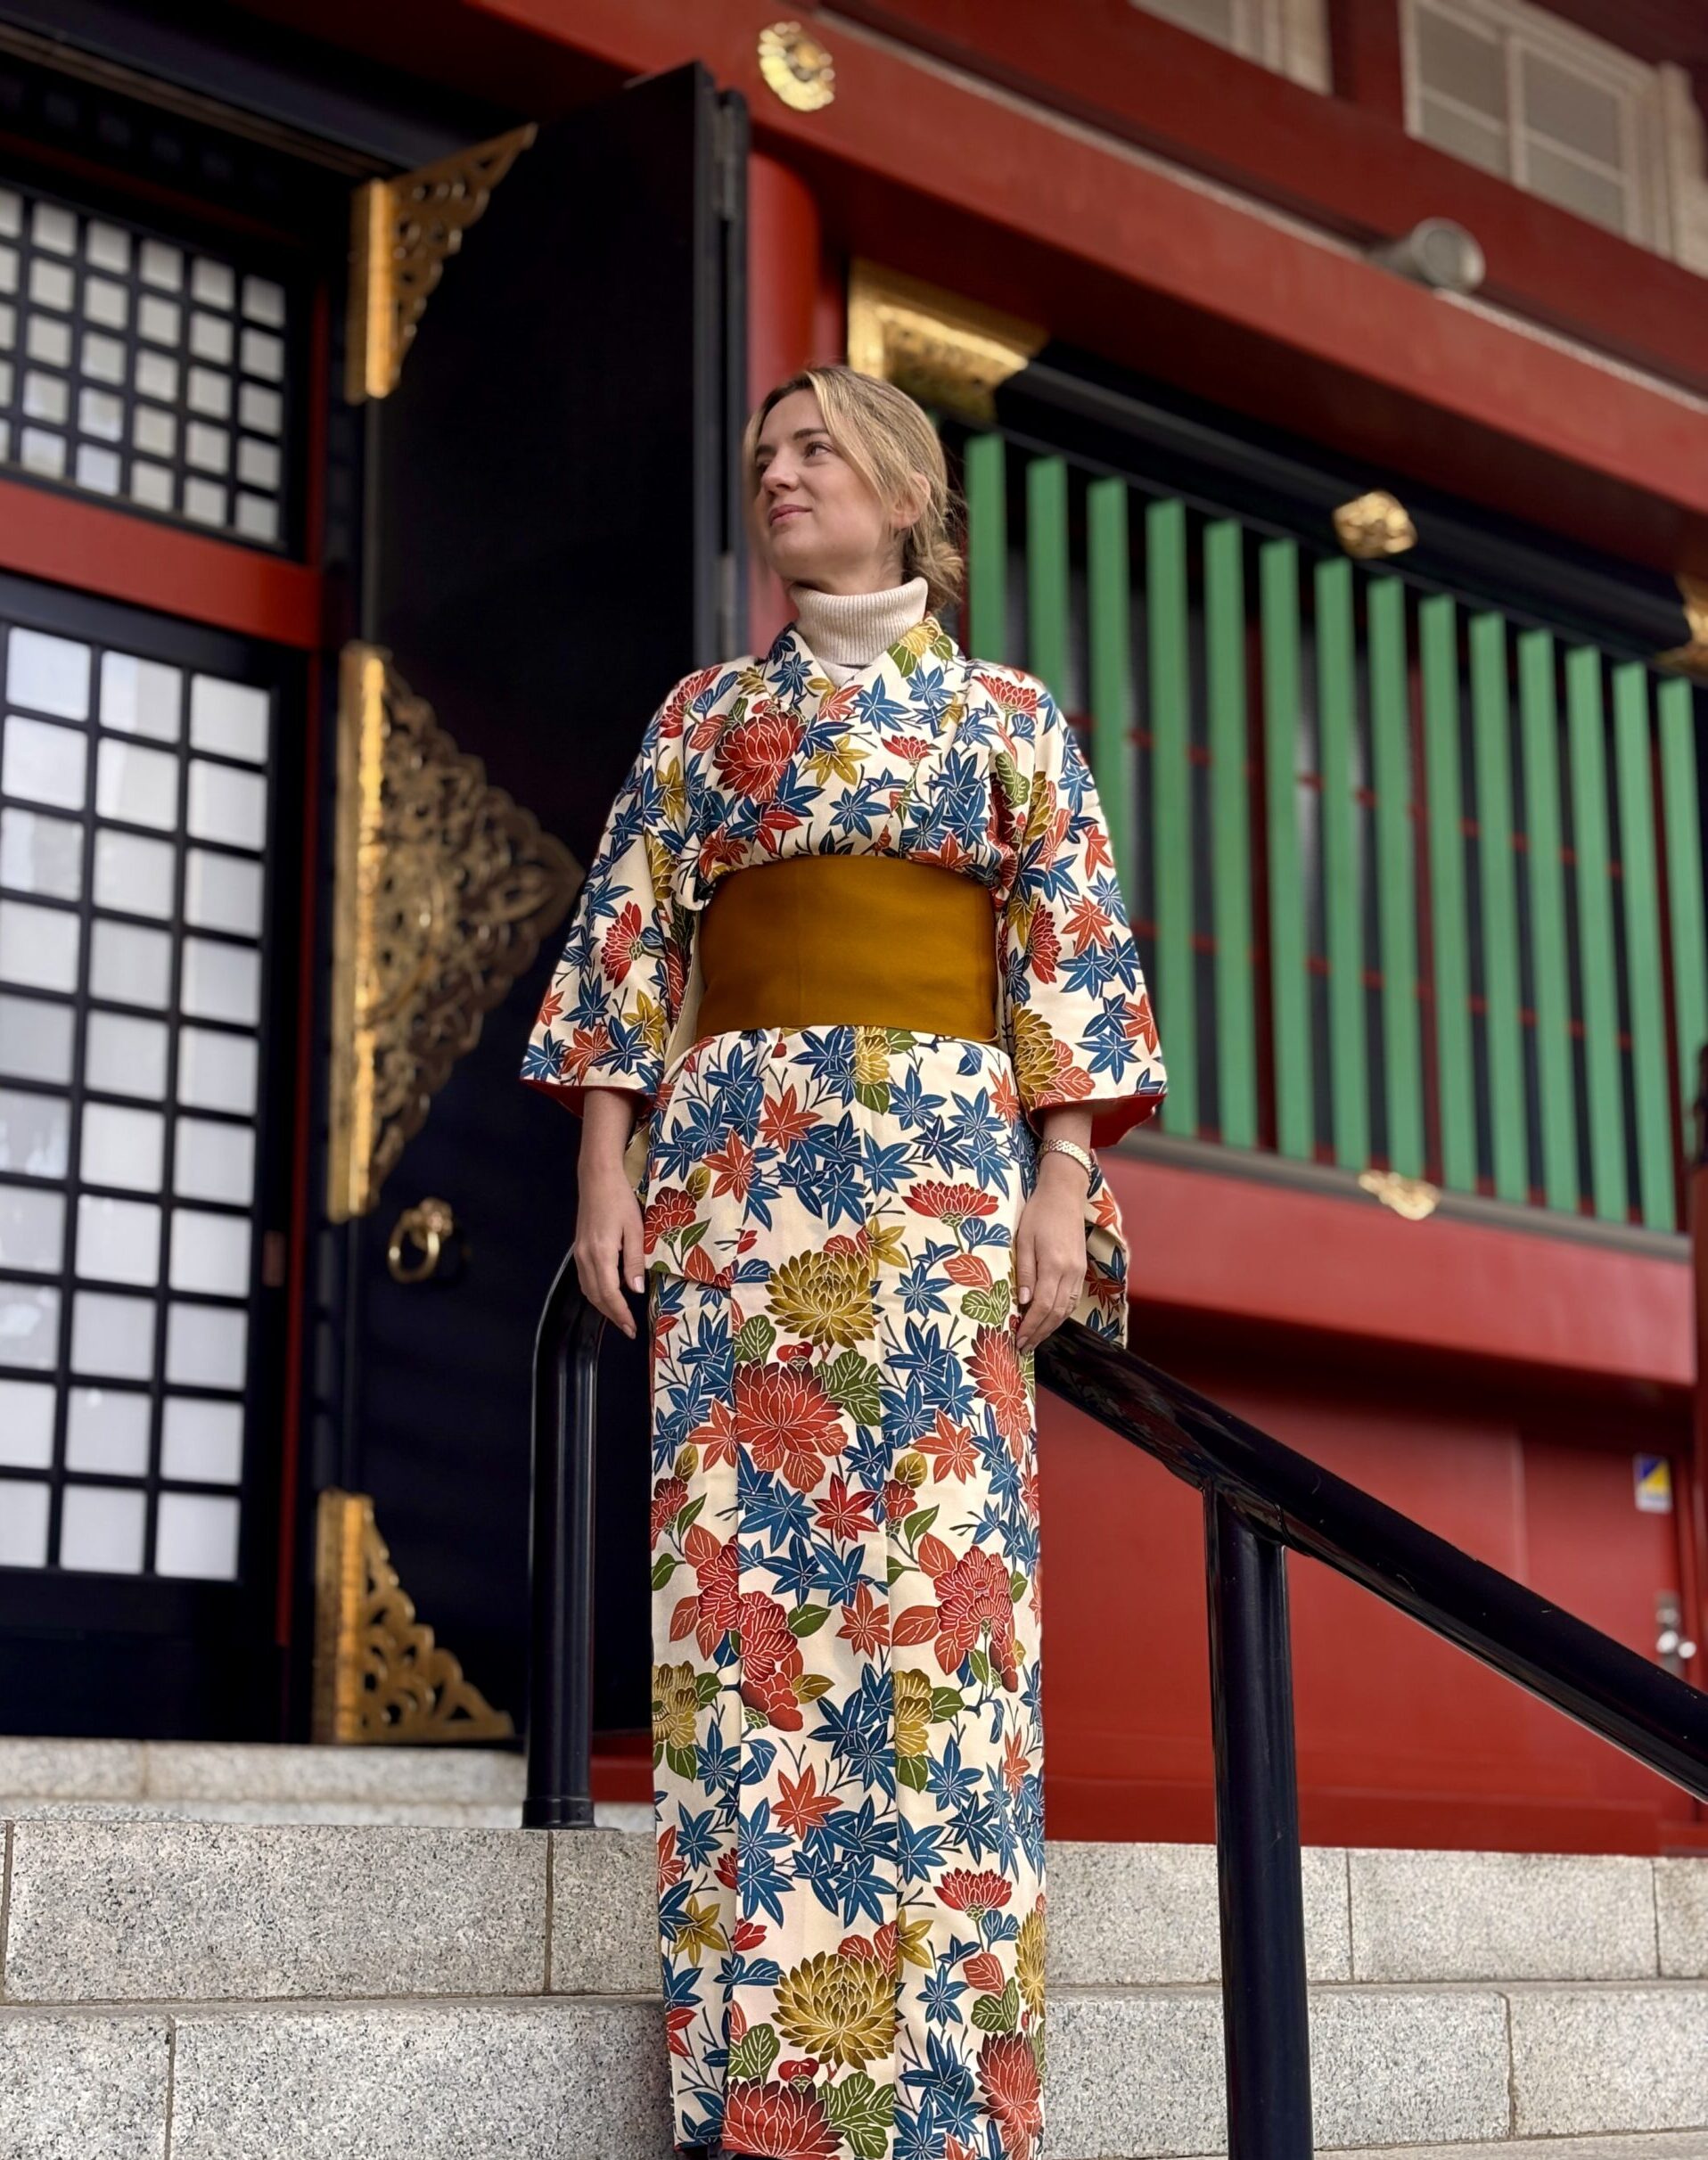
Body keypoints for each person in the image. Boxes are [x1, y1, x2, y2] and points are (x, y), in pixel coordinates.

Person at [521, 365, 1166, 2160]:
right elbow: (631, 941)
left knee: (947, 1616)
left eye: (812, 451)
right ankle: (762, 2109)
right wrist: (603, 1162)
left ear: (901, 488)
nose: (776, 476)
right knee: (748, 1623)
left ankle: (956, 2110)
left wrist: (1060, 1181)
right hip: (736, 1181)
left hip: (952, 1186)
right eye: (761, 459)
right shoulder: (706, 715)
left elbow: (1070, 964)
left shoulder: (1011, 720)